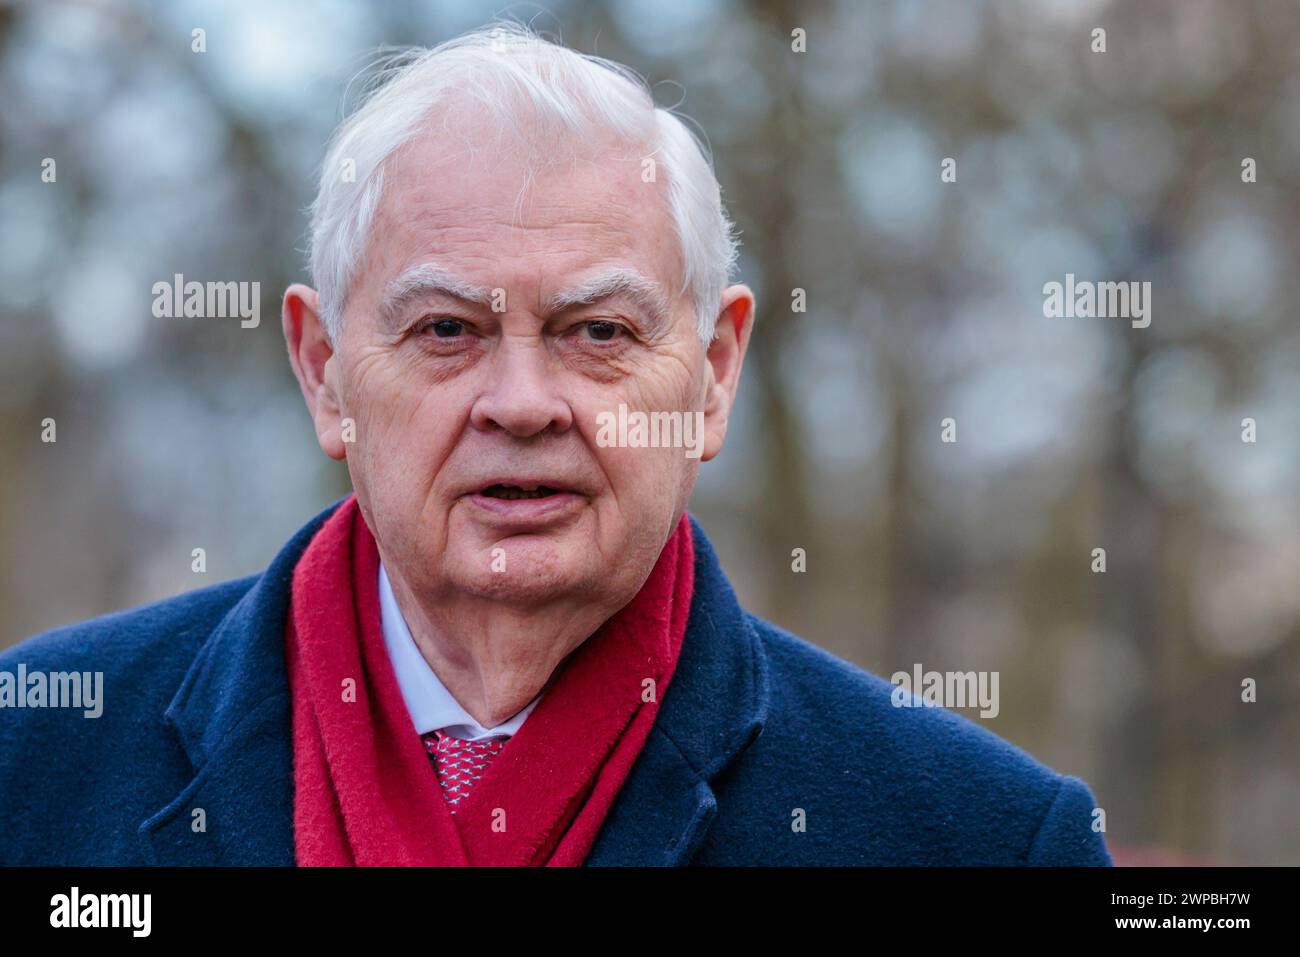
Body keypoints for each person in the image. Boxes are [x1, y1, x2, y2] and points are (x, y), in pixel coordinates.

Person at [0, 22, 1110, 866]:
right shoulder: (33, 761)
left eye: (596, 332)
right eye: (446, 330)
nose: (521, 403)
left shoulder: (981, 840)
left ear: (715, 373)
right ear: (324, 369)